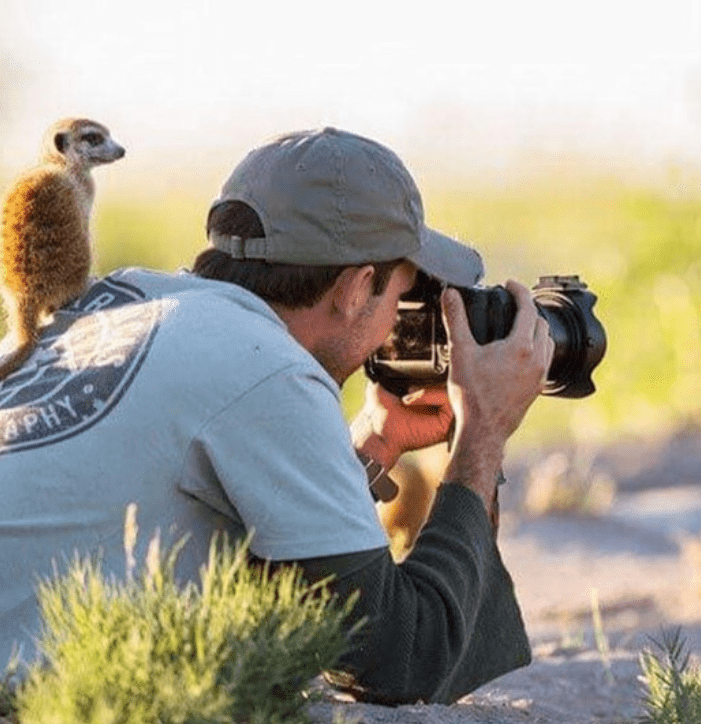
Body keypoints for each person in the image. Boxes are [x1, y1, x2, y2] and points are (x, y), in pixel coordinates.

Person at [0, 127, 554, 704]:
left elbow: (268, 569)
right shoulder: (270, 369)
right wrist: (481, 438)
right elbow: (402, 658)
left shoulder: (120, 300)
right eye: (400, 297)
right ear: (357, 286)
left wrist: (372, 445)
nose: (395, 321)